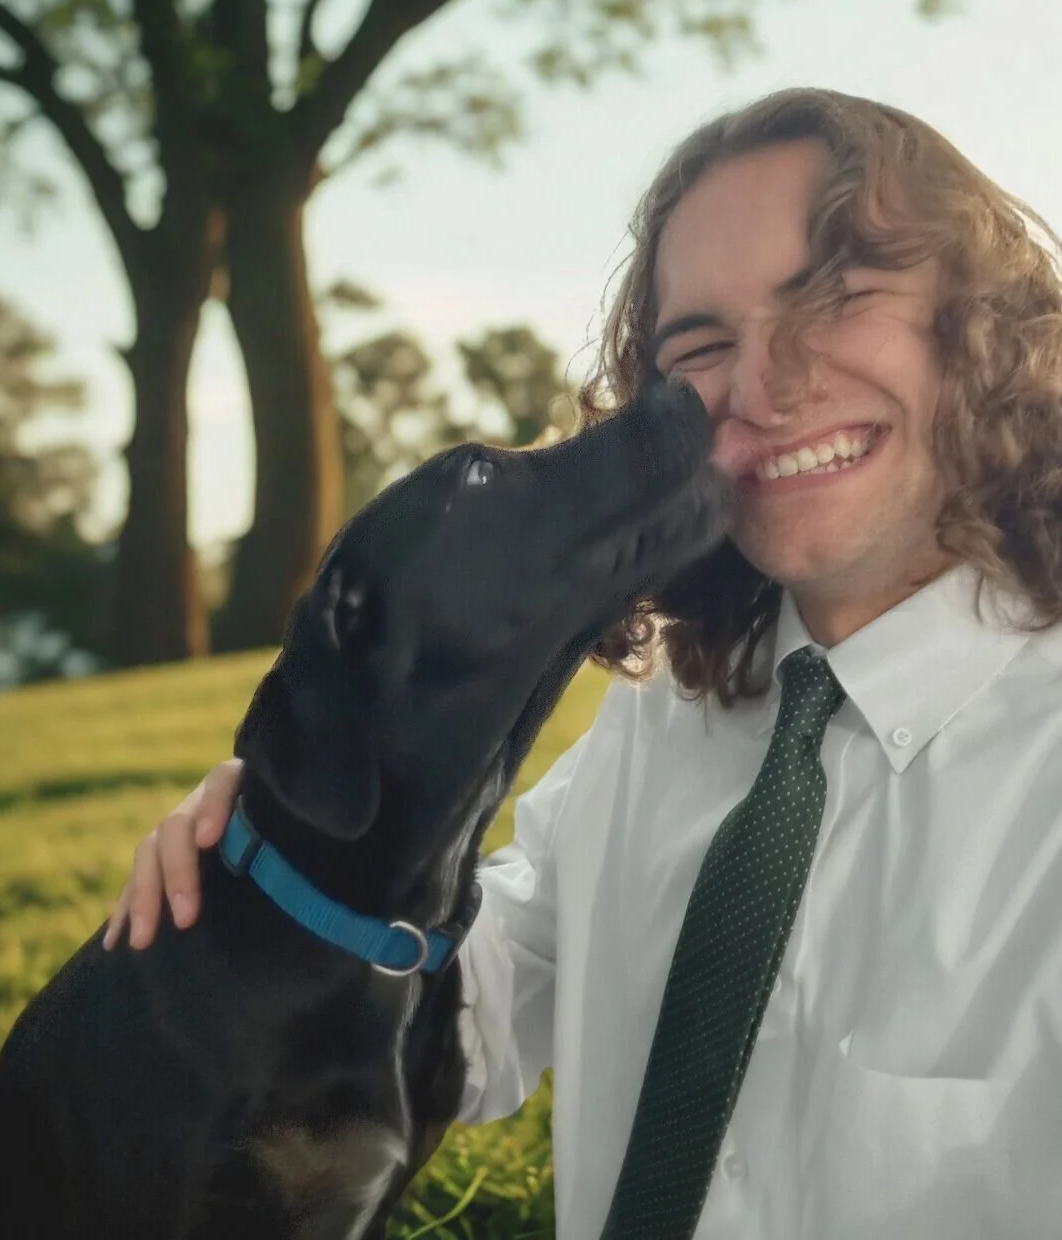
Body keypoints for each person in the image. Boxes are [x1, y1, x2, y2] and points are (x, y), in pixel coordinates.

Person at [104, 88, 1062, 1238]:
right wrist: (306, 879)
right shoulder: (670, 717)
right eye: (701, 345)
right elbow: (480, 996)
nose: (766, 386)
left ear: (986, 323)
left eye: (838, 295)